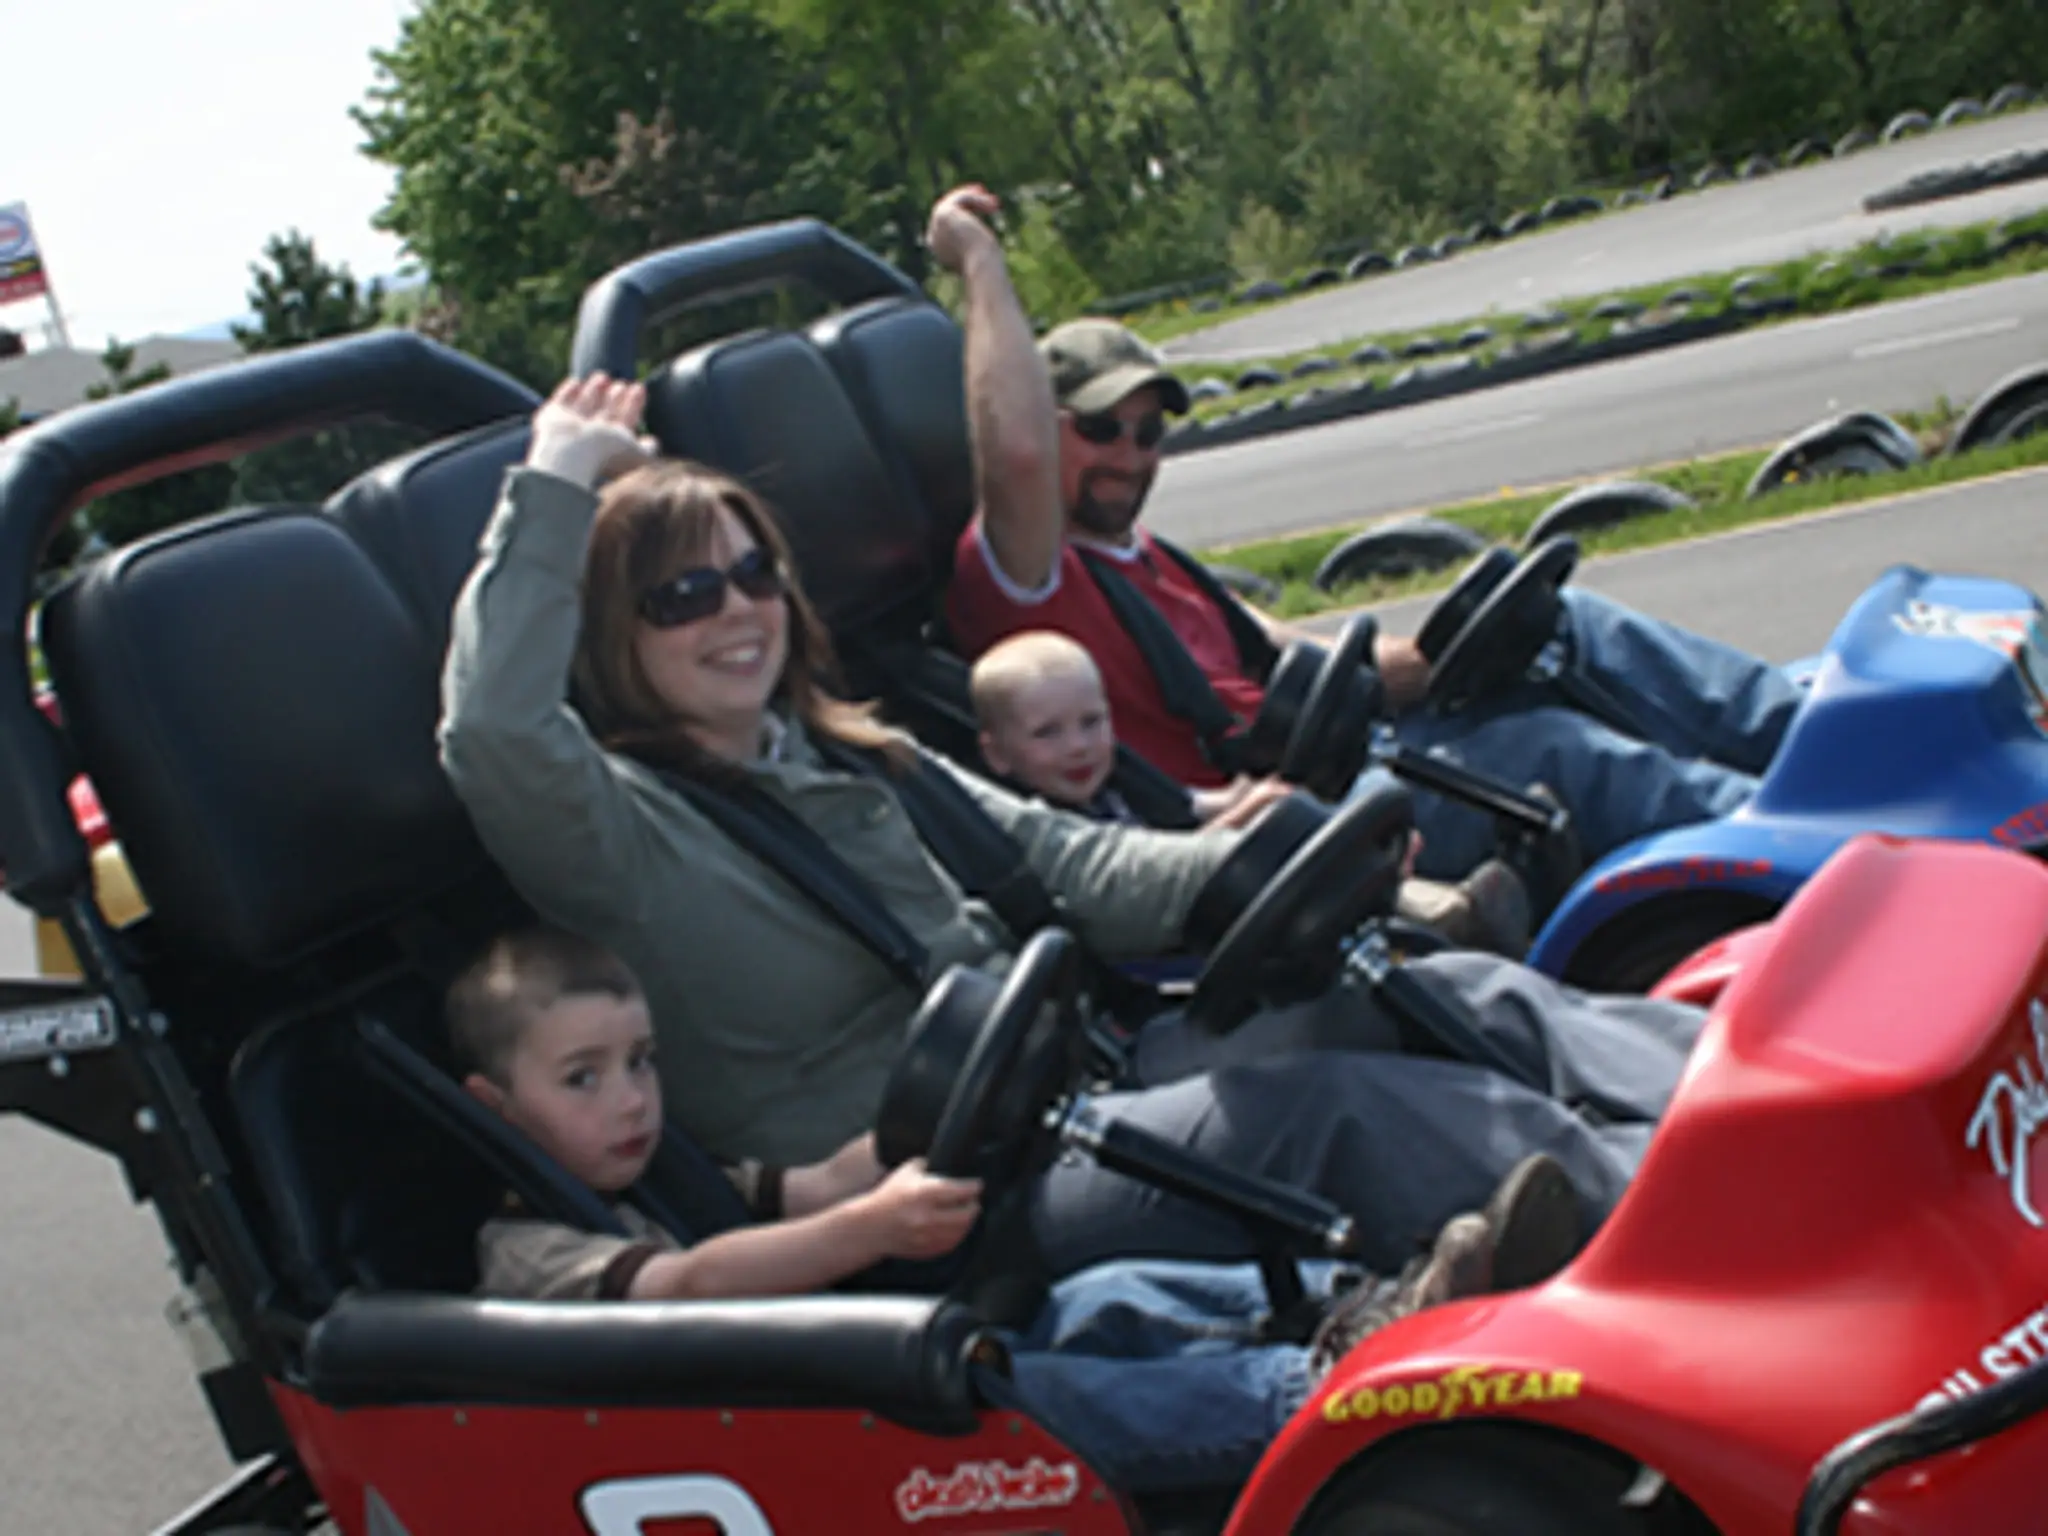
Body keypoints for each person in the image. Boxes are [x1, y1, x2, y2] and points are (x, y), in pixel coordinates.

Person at [437, 370, 1708, 1280]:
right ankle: (1690, 1223)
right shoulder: (615, 839)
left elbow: (1063, 856)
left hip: (1081, 1085)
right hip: (952, 1200)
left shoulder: (850, 754)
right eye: (682, 594)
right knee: (1330, 1114)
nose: (735, 610)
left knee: (1440, 993)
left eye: (753, 571)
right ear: (614, 636)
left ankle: (1734, 1104)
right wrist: (554, 480)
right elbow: (491, 731)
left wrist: (1236, 864)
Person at [452, 922, 1582, 1491]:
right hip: (805, 1439)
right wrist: (870, 1230)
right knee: (1035, 1393)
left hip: (851, 1382)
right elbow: (687, 1284)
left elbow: (818, 1184)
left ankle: (1379, 1303)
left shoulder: (667, 1173)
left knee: (1105, 1296)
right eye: (583, 1079)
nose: (630, 1099)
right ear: (493, 1109)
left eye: (641, 1062)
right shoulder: (528, 1249)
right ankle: (1312, 1391)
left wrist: (966, 1103)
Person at [928, 183, 1806, 885]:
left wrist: (1450, 653)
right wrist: (976, 257)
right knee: (1556, 752)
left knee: (1573, 627)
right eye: (1099, 429)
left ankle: (1820, 749)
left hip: (1346, 757)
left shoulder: (1159, 563)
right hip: (1277, 823)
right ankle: (1808, 848)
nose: (1128, 455)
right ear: (1049, 428)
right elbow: (1013, 452)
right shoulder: (1025, 577)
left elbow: (1296, 655)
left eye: (1147, 432)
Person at [968, 628, 1531, 954]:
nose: (1078, 747)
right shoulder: (1049, 829)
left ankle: (1445, 900)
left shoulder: (1118, 780)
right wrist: (1249, 819)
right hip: (1176, 934)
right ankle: (1447, 914)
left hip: (1221, 890)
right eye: (1047, 734)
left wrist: (1267, 794)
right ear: (997, 755)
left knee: (1332, 810)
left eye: (1092, 722)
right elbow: (1157, 877)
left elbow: (1199, 805)